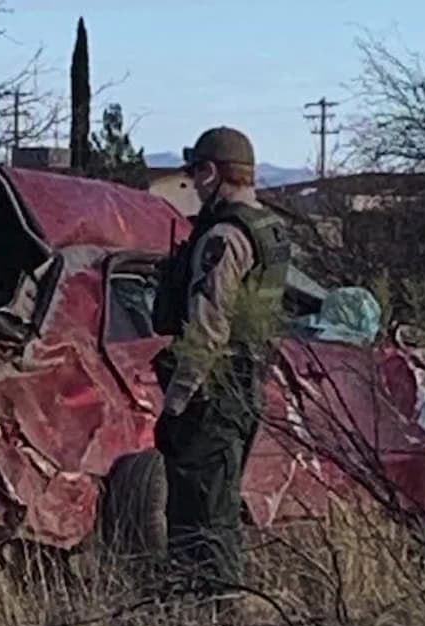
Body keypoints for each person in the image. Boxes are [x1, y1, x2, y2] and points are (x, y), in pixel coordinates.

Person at [151, 126, 295, 595]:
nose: (193, 185)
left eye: (196, 174)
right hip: (243, 385)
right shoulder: (269, 229)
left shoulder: (224, 236)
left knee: (201, 511)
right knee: (218, 504)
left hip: (212, 393)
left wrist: (176, 402)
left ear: (212, 172)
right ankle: (211, 601)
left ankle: (209, 609)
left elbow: (207, 327)